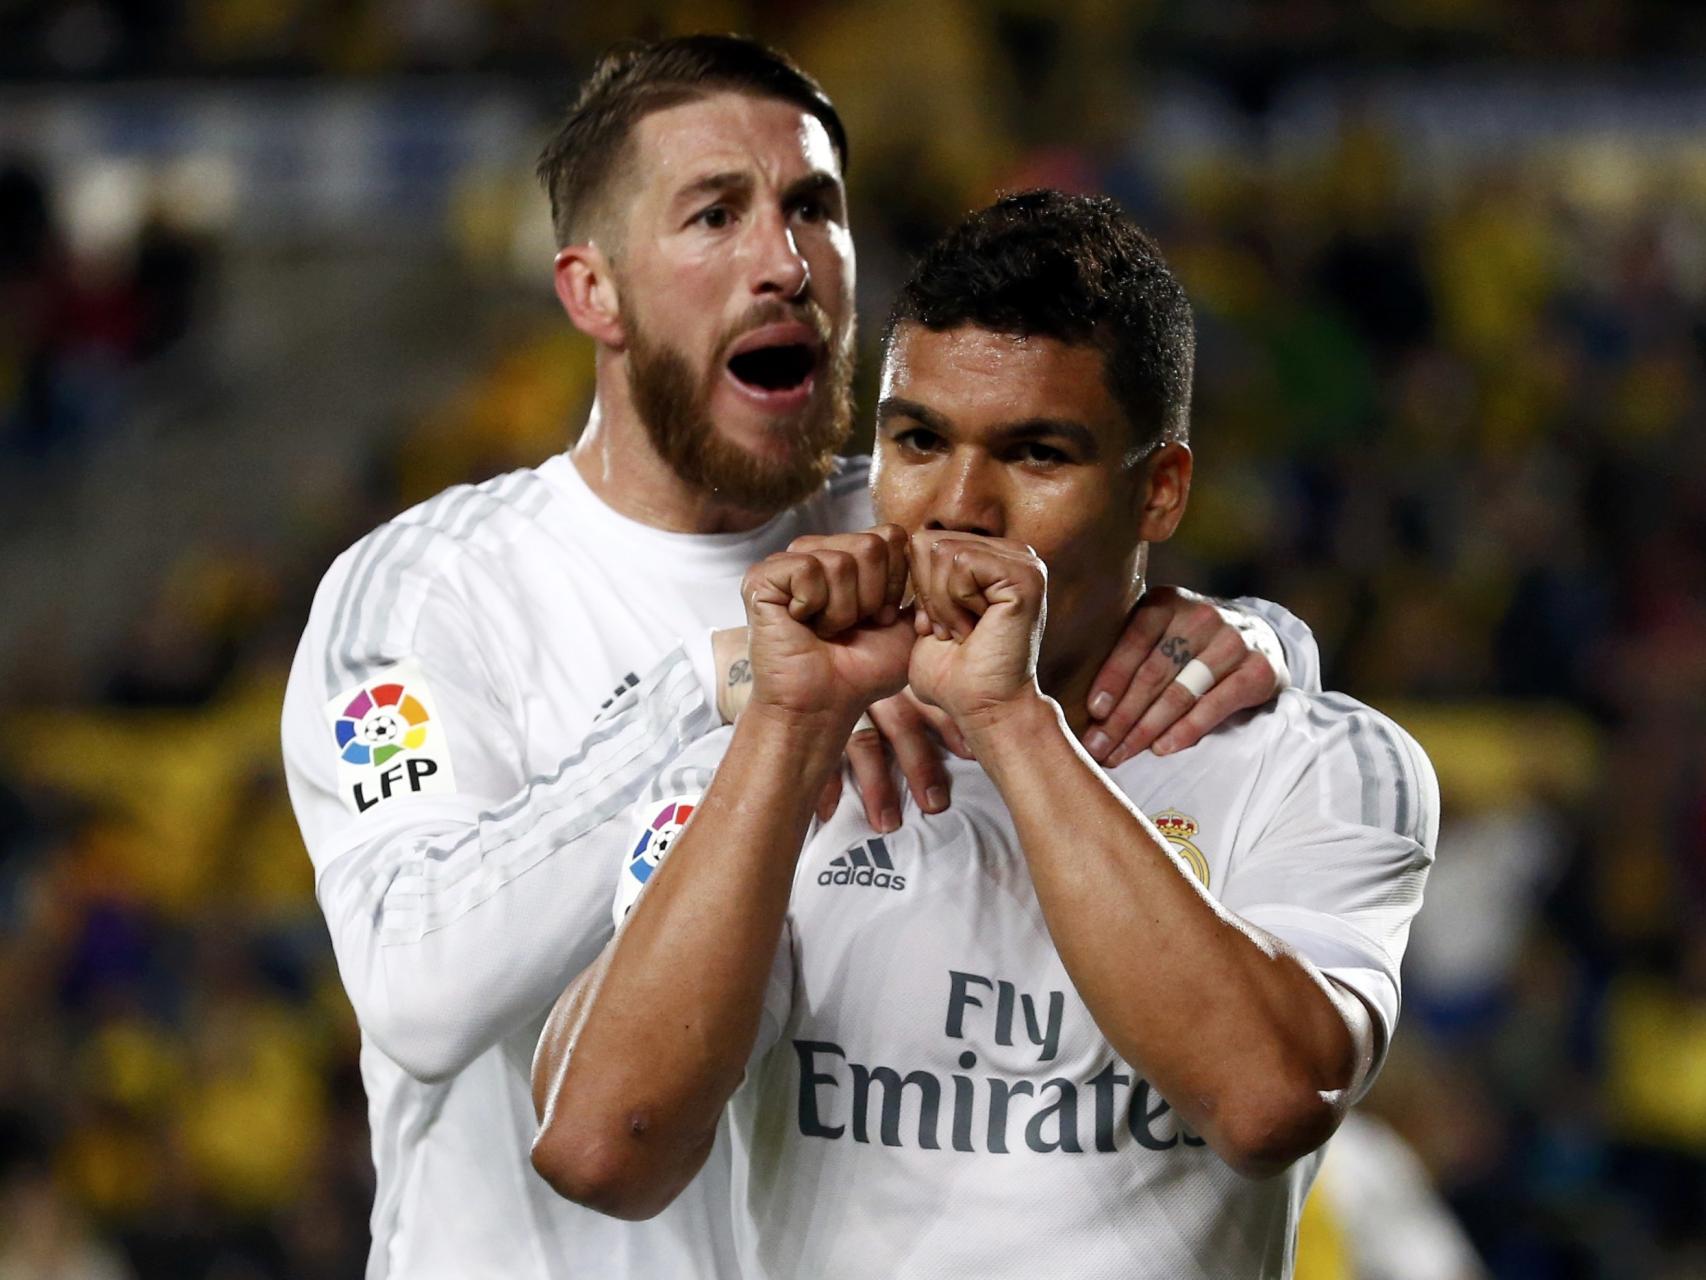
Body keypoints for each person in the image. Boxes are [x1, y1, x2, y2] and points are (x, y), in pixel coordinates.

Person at [282, 37, 1317, 1280]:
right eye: (714, 215)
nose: (784, 262)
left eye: (813, 208)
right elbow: (416, 984)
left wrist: (1257, 637)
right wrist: (717, 692)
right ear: (593, 291)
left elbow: (1140, 614)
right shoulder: (435, 591)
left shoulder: (916, 518)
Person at [530, 190, 1438, 1278]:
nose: (959, 506)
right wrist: (786, 727)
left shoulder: (1319, 763)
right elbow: (600, 1150)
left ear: (1159, 492)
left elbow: (1267, 1101)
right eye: (918, 441)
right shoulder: (765, 760)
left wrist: (1008, 717)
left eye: (1036, 454)